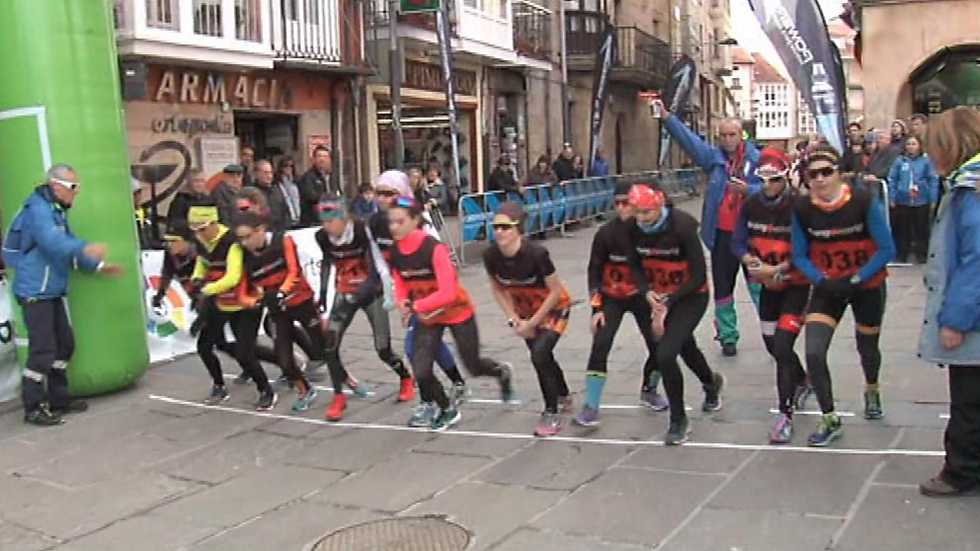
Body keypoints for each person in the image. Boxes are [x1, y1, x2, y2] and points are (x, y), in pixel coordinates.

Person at [791, 145, 895, 447]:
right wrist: (821, 280)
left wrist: (857, 278)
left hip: (866, 284)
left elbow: (887, 248)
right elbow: (799, 254)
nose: (820, 179)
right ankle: (829, 418)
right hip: (829, 286)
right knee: (813, 351)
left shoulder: (862, 200)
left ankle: (872, 388)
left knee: (867, 346)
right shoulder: (802, 208)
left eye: (827, 172)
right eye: (813, 175)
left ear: (839, 174)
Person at [2, 164, 122, 426]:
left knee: (65, 346)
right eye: (73, 187)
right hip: (35, 291)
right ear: (56, 186)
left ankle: (59, 399)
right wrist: (86, 248)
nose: (76, 192)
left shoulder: (54, 210)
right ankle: (33, 407)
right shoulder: (38, 210)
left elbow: (65, 248)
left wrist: (98, 266)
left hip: (50, 289)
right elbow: (53, 243)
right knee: (42, 351)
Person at [389, 195, 514, 431]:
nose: (394, 227)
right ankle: (447, 409)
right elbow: (400, 280)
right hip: (429, 316)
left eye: (400, 221)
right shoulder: (395, 251)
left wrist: (416, 306)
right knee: (421, 368)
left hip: (457, 311)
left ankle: (501, 371)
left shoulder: (434, 249)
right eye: (391, 222)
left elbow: (448, 292)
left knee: (473, 365)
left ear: (415, 220)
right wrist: (402, 301)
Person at [658, 99, 762, 356]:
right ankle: (727, 335)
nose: (727, 140)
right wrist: (667, 118)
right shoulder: (714, 159)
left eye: (732, 134)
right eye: (723, 135)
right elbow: (689, 141)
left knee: (758, 284)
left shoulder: (757, 160)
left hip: (750, 235)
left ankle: (772, 328)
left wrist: (749, 190)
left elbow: (773, 187)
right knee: (723, 287)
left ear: (741, 134)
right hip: (722, 235)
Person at [627, 184, 725, 445]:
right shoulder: (632, 229)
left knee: (666, 353)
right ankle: (711, 382)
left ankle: (679, 419)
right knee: (684, 346)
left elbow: (699, 275)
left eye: (647, 212)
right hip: (659, 294)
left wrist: (669, 302)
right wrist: (646, 291)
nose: (642, 218)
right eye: (637, 212)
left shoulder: (682, 226)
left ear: (659, 206)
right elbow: (633, 265)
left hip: (690, 295)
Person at [368, 171, 468, 426]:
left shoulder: (418, 220)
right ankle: (456, 383)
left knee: (416, 349)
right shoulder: (375, 223)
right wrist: (396, 295)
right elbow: (384, 262)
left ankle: (431, 402)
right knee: (427, 345)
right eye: (379, 193)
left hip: (432, 292)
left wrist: (429, 301)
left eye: (389, 193)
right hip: (409, 293)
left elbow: (439, 259)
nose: (383, 198)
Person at [916, 106, 980, 497]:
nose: (929, 155)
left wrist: (956, 319)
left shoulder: (970, 191)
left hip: (972, 317)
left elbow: (976, 261)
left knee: (968, 398)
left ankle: (961, 471)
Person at [732, 148, 811, 444]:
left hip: (795, 283)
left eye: (775, 180)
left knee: (783, 342)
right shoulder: (751, 204)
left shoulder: (799, 206)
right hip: (767, 283)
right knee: (772, 344)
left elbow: (808, 249)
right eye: (763, 180)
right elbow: (738, 241)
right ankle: (801, 379)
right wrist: (750, 261)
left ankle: (785, 414)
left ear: (786, 177)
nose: (768, 186)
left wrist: (777, 269)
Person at [575, 182, 669, 428]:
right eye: (616, 203)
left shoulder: (650, 231)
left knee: (659, 344)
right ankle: (591, 404)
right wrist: (596, 309)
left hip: (643, 296)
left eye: (625, 203)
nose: (621, 208)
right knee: (601, 343)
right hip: (612, 296)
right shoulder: (605, 234)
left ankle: (649, 389)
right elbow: (594, 272)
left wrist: (662, 302)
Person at [315, 195, 415, 420]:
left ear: (344, 218)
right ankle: (338, 396)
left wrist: (373, 291)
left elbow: (375, 264)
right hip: (345, 290)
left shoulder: (361, 230)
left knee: (382, 349)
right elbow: (327, 264)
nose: (327, 226)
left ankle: (405, 377)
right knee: (329, 345)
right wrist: (322, 297)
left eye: (331, 221)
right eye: (324, 221)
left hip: (370, 293)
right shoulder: (322, 236)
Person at [483, 202, 572, 436]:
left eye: (505, 227)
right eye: (495, 227)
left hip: (554, 307)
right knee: (543, 356)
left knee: (539, 354)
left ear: (518, 229)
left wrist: (532, 324)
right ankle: (563, 394)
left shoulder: (537, 254)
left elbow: (555, 291)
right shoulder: (491, 255)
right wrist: (513, 318)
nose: (499, 232)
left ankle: (551, 411)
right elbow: (497, 288)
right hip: (524, 310)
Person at [186, 203, 277, 411]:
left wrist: (207, 289)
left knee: (246, 352)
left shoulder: (233, 241)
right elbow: (202, 261)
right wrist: (197, 278)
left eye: (202, 229)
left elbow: (233, 277)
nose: (199, 235)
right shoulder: (202, 241)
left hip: (245, 302)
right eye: (195, 230)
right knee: (205, 346)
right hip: (222, 302)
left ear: (214, 223)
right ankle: (219, 386)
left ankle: (267, 389)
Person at [232, 211, 319, 413]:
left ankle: (347, 381)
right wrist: (256, 301)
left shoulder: (283, 241)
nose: (245, 243)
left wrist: (281, 292)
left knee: (325, 348)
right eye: (240, 238)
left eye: (247, 236)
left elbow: (294, 271)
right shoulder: (243, 256)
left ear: (261, 230)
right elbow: (241, 294)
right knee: (284, 360)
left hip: (302, 301)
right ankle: (305, 390)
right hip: (278, 311)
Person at [888, 135, 939, 264]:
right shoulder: (899, 161)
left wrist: (933, 198)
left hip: (921, 200)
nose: (911, 147)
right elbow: (892, 179)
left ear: (919, 146)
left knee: (921, 229)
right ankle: (902, 254)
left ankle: (922, 254)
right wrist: (892, 197)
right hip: (903, 200)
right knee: (903, 229)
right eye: (909, 144)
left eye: (914, 144)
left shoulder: (926, 161)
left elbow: (933, 179)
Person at [298, 145, 336, 225]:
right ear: (314, 159)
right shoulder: (307, 178)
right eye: (319, 156)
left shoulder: (332, 178)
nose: (322, 159)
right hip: (313, 223)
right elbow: (312, 197)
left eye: (325, 157)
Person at [167, 169, 211, 237]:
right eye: (196, 181)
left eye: (202, 181)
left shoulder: (207, 198)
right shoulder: (180, 200)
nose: (200, 184)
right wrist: (191, 224)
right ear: (189, 182)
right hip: (187, 238)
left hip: (206, 237)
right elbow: (174, 222)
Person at [252, 159, 289, 232]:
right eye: (266, 173)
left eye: (271, 173)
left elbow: (286, 212)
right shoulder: (250, 193)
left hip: (279, 233)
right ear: (257, 174)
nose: (269, 176)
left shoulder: (277, 191)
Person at [274, 157, 302, 229]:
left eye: (291, 166)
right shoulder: (277, 183)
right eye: (286, 166)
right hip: (285, 217)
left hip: (298, 216)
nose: (289, 168)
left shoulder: (296, 181)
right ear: (281, 167)